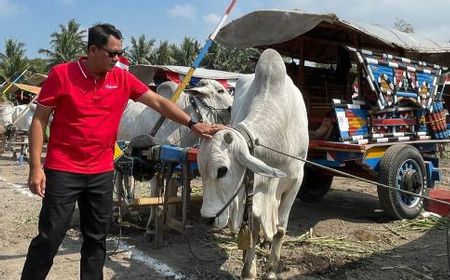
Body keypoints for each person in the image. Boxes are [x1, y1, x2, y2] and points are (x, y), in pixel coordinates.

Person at [22, 23, 223, 280]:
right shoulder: (61, 74)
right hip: (63, 170)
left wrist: (193, 124)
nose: (117, 59)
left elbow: (160, 102)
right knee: (49, 238)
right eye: (112, 53)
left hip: (101, 172)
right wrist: (35, 167)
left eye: (120, 53)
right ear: (92, 49)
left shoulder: (122, 78)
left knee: (96, 240)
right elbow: (39, 120)